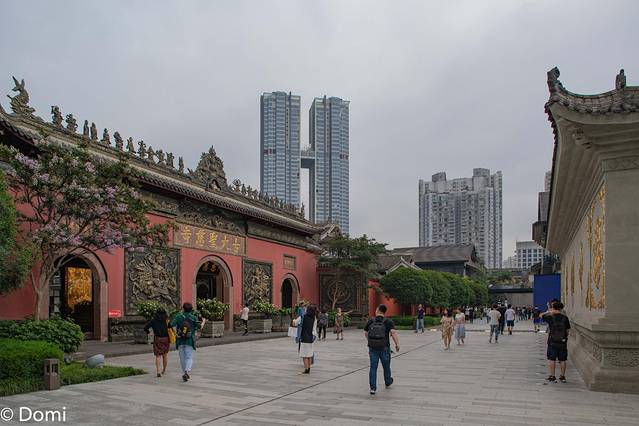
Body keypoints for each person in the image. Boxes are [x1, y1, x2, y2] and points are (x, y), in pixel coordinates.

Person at [364, 304, 399, 395]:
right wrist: (397, 344)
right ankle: (388, 381)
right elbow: (393, 333)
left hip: (373, 348)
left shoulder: (371, 320)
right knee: (386, 366)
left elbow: (366, 332)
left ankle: (373, 388)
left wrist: (371, 341)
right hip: (385, 347)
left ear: (378, 310)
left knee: (373, 367)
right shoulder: (388, 321)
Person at [170, 302, 201, 382]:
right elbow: (199, 326)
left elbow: (171, 325)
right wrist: (203, 321)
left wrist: (175, 333)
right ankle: (187, 372)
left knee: (182, 358)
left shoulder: (178, 316)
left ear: (183, 308)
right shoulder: (193, 317)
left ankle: (185, 372)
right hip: (189, 340)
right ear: (191, 309)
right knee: (189, 357)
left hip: (180, 340)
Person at [542, 301, 571, 383]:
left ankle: (552, 376)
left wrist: (550, 311)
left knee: (552, 359)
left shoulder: (550, 317)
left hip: (552, 341)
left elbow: (541, 315)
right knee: (563, 359)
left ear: (553, 308)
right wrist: (564, 337)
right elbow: (568, 329)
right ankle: (562, 376)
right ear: (561, 308)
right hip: (563, 342)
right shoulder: (565, 318)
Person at [144, 307, 170, 378]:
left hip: (157, 338)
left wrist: (148, 332)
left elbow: (145, 328)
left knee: (158, 355)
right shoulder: (166, 321)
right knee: (165, 355)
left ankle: (158, 371)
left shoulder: (153, 321)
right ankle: (164, 370)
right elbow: (170, 328)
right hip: (166, 338)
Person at [293, 304, 318, 374]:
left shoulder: (302, 316)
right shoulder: (315, 318)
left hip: (304, 337)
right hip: (311, 338)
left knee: (304, 355)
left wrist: (294, 320)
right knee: (309, 354)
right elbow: (314, 329)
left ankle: (306, 369)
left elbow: (295, 323)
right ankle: (308, 368)